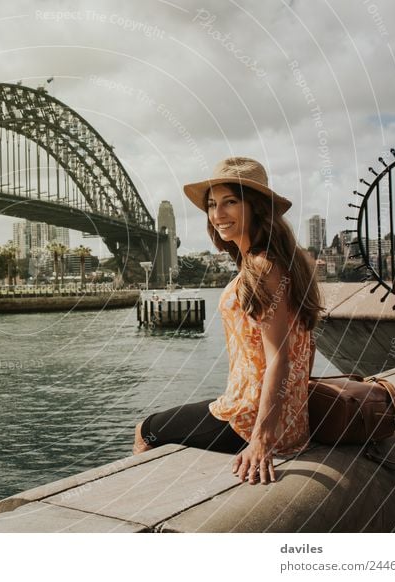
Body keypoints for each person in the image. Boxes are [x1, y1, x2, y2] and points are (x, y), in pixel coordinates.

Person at [132, 157, 323, 485]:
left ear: (257, 207)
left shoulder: (261, 268)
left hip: (247, 421)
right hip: (291, 423)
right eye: (212, 205)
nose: (218, 214)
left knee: (146, 430)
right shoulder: (285, 263)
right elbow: (308, 344)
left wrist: (260, 440)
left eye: (230, 202)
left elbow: (280, 356)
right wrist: (293, 410)